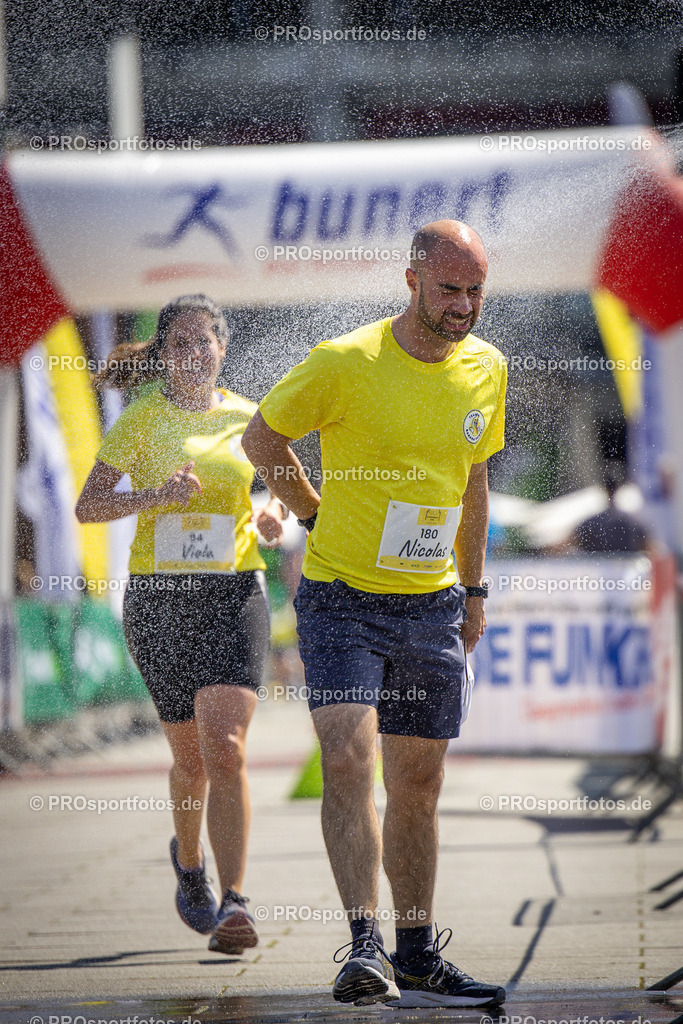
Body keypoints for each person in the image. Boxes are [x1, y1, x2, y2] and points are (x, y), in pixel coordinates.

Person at [242, 221, 507, 1008]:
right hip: (341, 599)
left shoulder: (488, 368)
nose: (461, 306)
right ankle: (364, 949)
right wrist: (314, 512)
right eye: (448, 289)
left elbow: (473, 481)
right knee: (350, 759)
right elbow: (263, 438)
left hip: (431, 604)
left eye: (474, 291)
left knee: (417, 782)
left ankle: (418, 951)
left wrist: (474, 590)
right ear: (411, 280)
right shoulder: (344, 360)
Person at [76, 294, 284, 956]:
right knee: (190, 761)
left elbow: (277, 483)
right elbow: (89, 506)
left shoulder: (250, 417)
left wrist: (274, 513)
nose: (194, 352)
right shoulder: (140, 421)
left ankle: (235, 901)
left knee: (225, 748)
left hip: (232, 594)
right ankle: (189, 864)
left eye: (206, 341)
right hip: (160, 602)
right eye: (181, 342)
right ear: (164, 353)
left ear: (222, 348)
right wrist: (156, 497)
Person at [572, 465, 648, 553]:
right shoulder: (632, 522)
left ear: (605, 490)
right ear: (618, 488)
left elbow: (568, 542)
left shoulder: (593, 522)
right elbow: (650, 548)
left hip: (599, 565)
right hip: (626, 565)